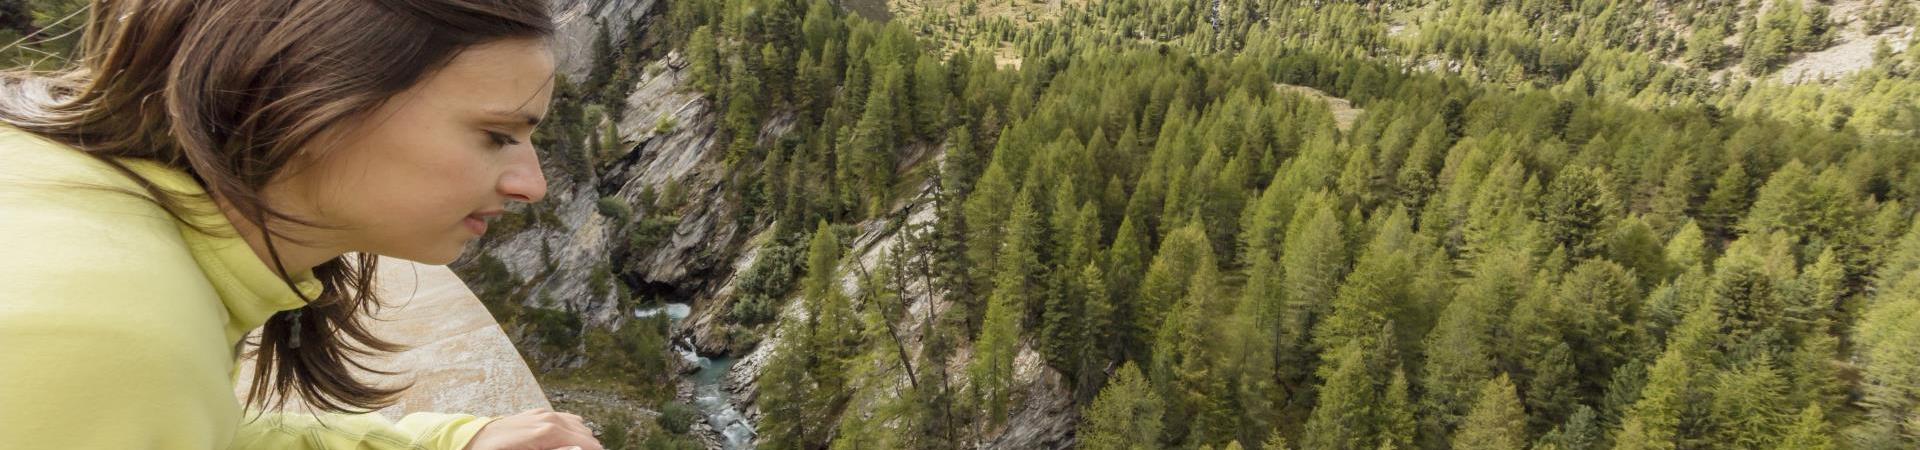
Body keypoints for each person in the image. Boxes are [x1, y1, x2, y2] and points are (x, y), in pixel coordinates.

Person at [0, 1, 603, 449]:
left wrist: (440, 442)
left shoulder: (83, 206)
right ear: (311, 99)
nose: (533, 184)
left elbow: (202, 432)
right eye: (496, 135)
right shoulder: (103, 336)